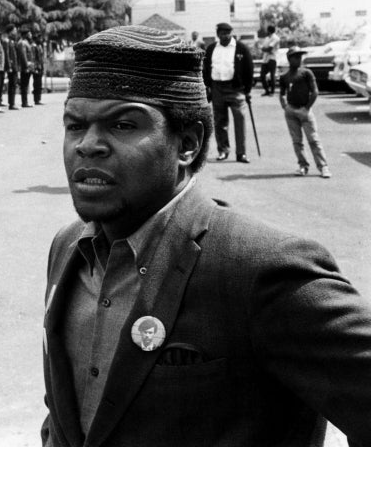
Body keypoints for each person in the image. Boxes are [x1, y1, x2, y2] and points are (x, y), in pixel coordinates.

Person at [42, 24, 371, 446]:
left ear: (189, 144)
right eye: (74, 125)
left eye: (123, 124)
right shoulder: (67, 248)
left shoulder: (261, 269)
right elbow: (65, 415)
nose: (88, 145)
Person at [202, 21, 253, 163]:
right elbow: (206, 68)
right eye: (223, 33)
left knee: (240, 120)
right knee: (220, 121)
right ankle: (223, 150)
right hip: (217, 88)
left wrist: (247, 90)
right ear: (218, 34)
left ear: (232, 34)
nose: (226, 36)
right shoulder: (211, 48)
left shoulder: (241, 48)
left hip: (236, 89)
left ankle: (241, 153)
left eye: (228, 33)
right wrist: (208, 86)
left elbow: (249, 69)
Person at [280, 46, 331, 178]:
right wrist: (285, 106)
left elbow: (314, 91)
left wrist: (307, 107)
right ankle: (303, 165)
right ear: (289, 59)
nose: (298, 59)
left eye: (300, 57)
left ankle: (323, 167)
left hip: (304, 109)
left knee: (313, 140)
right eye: (295, 57)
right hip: (291, 110)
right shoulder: (285, 76)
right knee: (297, 141)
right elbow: (281, 93)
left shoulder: (306, 73)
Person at [259, 24, 280, 96]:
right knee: (262, 75)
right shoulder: (267, 38)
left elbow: (269, 48)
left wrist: (264, 49)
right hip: (265, 59)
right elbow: (264, 49)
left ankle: (272, 92)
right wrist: (264, 49)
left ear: (269, 30)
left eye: (267, 30)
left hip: (272, 58)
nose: (266, 31)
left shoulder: (276, 38)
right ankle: (267, 90)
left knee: (272, 75)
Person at [17, 29, 35, 107]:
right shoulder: (22, 42)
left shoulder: (26, 42)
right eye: (29, 34)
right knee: (24, 85)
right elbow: (23, 55)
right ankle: (24, 102)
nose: (31, 36)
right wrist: (26, 66)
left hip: (28, 66)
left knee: (26, 84)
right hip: (25, 67)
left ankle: (25, 102)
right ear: (25, 35)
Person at [4, 24, 20, 109]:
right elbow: (7, 54)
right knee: (12, 85)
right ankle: (11, 103)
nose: (16, 32)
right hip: (11, 66)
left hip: (15, 66)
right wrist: (9, 66)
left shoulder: (13, 41)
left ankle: (12, 102)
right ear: (10, 32)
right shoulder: (6, 41)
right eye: (14, 30)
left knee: (14, 84)